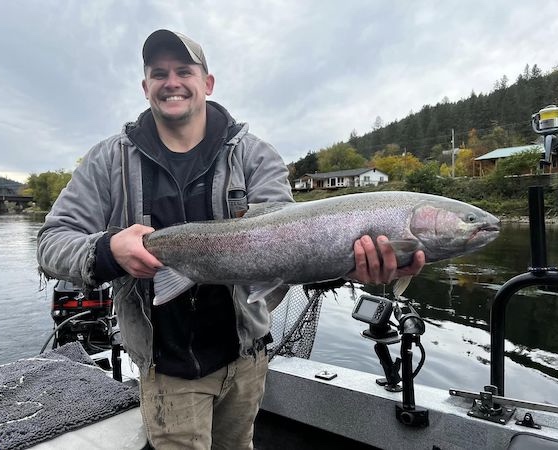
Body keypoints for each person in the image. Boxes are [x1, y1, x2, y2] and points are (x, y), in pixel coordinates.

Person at [37, 29, 425, 449]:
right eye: (158, 73)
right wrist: (109, 250)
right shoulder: (108, 160)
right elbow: (52, 242)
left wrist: (347, 265)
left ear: (207, 83)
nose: (171, 82)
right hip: (167, 369)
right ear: (145, 86)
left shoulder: (255, 156)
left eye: (184, 70)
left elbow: (293, 248)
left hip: (246, 360)